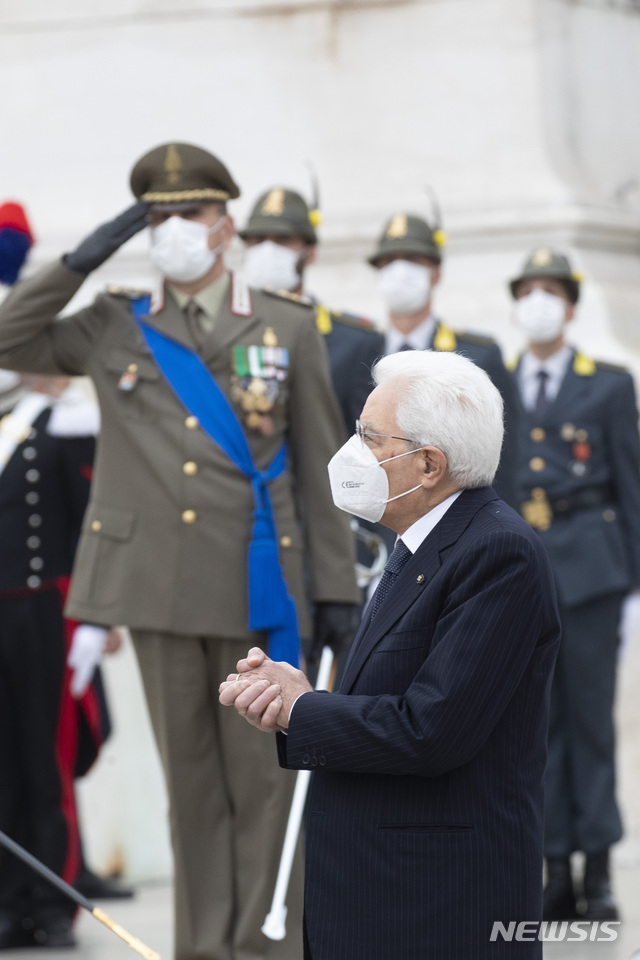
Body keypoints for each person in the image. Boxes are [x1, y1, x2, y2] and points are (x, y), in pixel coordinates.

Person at [0, 141, 360, 960]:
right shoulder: (112, 322)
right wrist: (78, 258)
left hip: (260, 590)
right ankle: (203, 950)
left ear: (225, 225)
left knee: (266, 785)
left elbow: (320, 466)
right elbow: (8, 338)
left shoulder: (284, 325)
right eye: (156, 218)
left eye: (188, 215)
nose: (172, 231)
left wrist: (336, 588)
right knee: (192, 788)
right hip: (158, 591)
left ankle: (265, 947)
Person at [219, 350, 562, 960]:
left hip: (438, 904)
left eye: (370, 437)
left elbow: (431, 729)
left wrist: (304, 711)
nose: (353, 452)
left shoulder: (497, 552)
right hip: (384, 893)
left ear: (429, 464)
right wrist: (291, 695)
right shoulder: (415, 542)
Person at [508, 247, 640, 922]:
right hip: (522, 576)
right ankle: (552, 864)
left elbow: (631, 484)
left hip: (591, 573)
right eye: (527, 290)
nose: (538, 302)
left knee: (590, 724)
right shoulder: (496, 383)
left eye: (550, 291)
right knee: (538, 727)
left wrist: (635, 584)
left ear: (571, 304)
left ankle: (598, 866)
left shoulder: (609, 384)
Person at [0, 372, 108, 948]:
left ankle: (51, 901)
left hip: (44, 611)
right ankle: (9, 900)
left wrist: (96, 616)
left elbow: (92, 522)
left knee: (47, 761)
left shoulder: (66, 420)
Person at [367, 211, 519, 508]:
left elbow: (505, 458)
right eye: (389, 261)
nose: (400, 271)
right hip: (376, 521)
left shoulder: (478, 356)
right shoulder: (356, 353)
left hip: (455, 520)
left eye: (413, 260)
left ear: (435, 272)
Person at [240, 186, 384, 437]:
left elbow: (365, 441)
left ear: (310, 253)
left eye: (283, 240)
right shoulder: (225, 328)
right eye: (258, 239)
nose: (267, 250)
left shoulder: (354, 342)